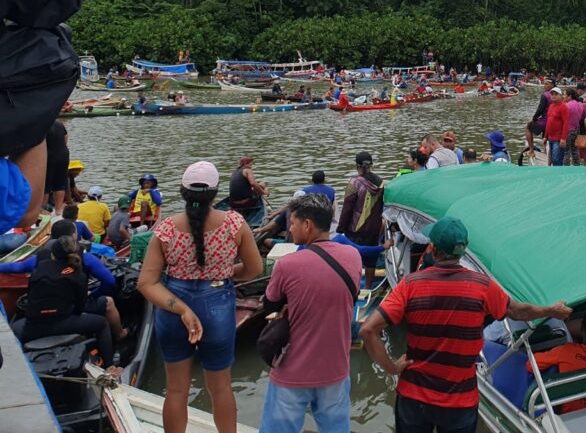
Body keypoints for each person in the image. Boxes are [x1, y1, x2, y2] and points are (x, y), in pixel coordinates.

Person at [360, 217, 572, 433]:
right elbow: (519, 311)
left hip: (415, 398)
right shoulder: (483, 287)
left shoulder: (410, 286)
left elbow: (368, 330)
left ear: (432, 248)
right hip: (459, 402)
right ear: (463, 251)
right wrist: (550, 310)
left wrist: (392, 368)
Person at [138, 161, 263, 433]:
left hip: (173, 312)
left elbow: (147, 283)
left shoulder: (165, 230)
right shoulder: (234, 224)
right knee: (220, 389)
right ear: (215, 194)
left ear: (183, 192)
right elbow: (255, 269)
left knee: (175, 391)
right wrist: (225, 274)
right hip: (218, 306)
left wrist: (182, 309)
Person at [260, 194, 363, 433]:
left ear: (307, 225)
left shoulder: (288, 265)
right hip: (336, 367)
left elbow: (270, 304)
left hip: (293, 368)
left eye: (292, 223)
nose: (290, 229)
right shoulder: (353, 257)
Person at [2, 218, 126, 342]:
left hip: (42, 314)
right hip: (69, 311)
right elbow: (109, 282)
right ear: (73, 236)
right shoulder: (86, 258)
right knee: (108, 302)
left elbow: (16, 267)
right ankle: (119, 334)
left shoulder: (38, 259)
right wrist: (93, 295)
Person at [12, 233, 119, 371]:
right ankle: (110, 366)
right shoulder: (78, 274)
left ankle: (18, 369)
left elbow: (31, 297)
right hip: (64, 322)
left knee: (14, 327)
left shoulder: (38, 269)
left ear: (52, 254)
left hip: (34, 326)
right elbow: (80, 309)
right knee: (102, 324)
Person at [337, 152, 385, 289]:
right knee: (371, 260)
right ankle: (368, 287)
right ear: (372, 165)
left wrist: (341, 227)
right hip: (374, 228)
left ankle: (354, 287)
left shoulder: (354, 183)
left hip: (355, 229)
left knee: (354, 258)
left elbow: (347, 208)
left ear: (357, 166)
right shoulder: (381, 183)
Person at [44, 120, 70, 215]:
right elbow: (65, 137)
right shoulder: (59, 123)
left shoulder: (41, 124)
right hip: (63, 154)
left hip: (48, 155)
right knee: (60, 183)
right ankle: (58, 209)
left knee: (45, 184)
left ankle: (44, 209)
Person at [524, 79, 554, 152]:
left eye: (547, 84)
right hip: (553, 120)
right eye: (544, 84)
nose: (545, 85)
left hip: (545, 120)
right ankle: (546, 151)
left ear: (552, 85)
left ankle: (531, 149)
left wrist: (534, 119)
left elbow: (540, 109)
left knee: (528, 127)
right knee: (546, 135)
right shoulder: (559, 94)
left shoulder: (545, 95)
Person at [543, 87, 570, 166]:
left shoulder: (563, 107)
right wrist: (545, 136)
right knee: (552, 159)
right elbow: (548, 122)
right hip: (550, 137)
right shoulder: (551, 106)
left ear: (561, 96)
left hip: (558, 138)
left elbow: (566, 123)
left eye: (556, 94)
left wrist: (563, 138)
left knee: (556, 159)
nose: (553, 96)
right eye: (552, 94)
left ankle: (559, 175)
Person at [564, 89, 586, 165]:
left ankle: (565, 168)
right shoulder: (580, 104)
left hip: (568, 130)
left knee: (566, 151)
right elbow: (583, 116)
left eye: (564, 95)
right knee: (574, 150)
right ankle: (577, 166)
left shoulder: (566, 106)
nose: (563, 96)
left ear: (569, 96)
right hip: (576, 130)